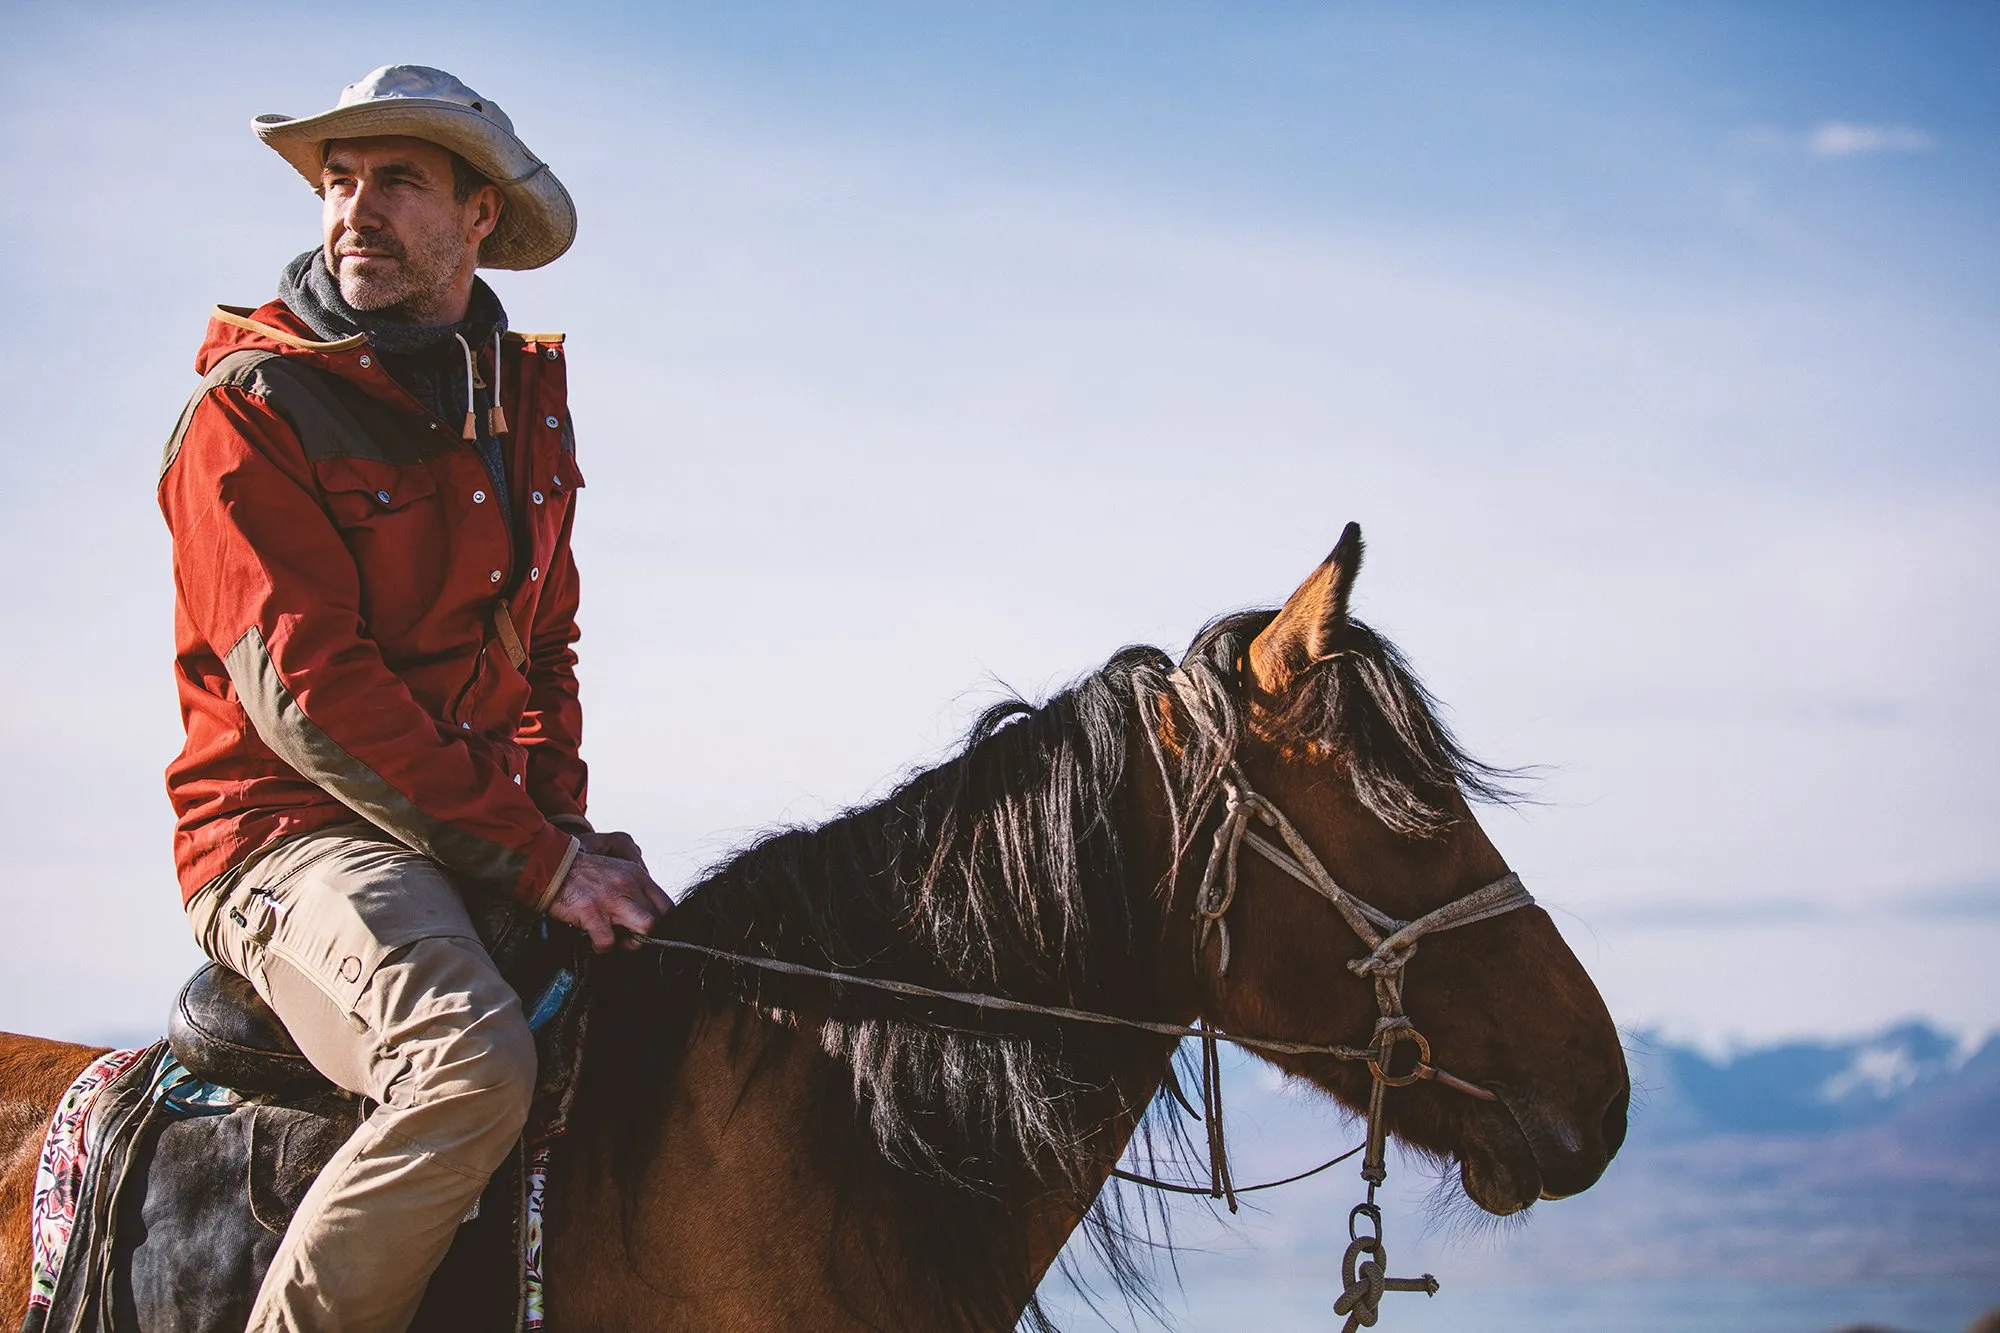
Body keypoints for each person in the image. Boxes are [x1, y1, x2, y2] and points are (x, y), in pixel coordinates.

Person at [156, 65, 670, 1331]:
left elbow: (544, 655)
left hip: (478, 828)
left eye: (397, 179)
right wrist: (540, 864)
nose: (354, 209)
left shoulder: (520, 405)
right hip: (285, 838)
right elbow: (308, 697)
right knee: (465, 1065)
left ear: (478, 213)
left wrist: (565, 833)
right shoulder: (251, 411)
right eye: (339, 179)